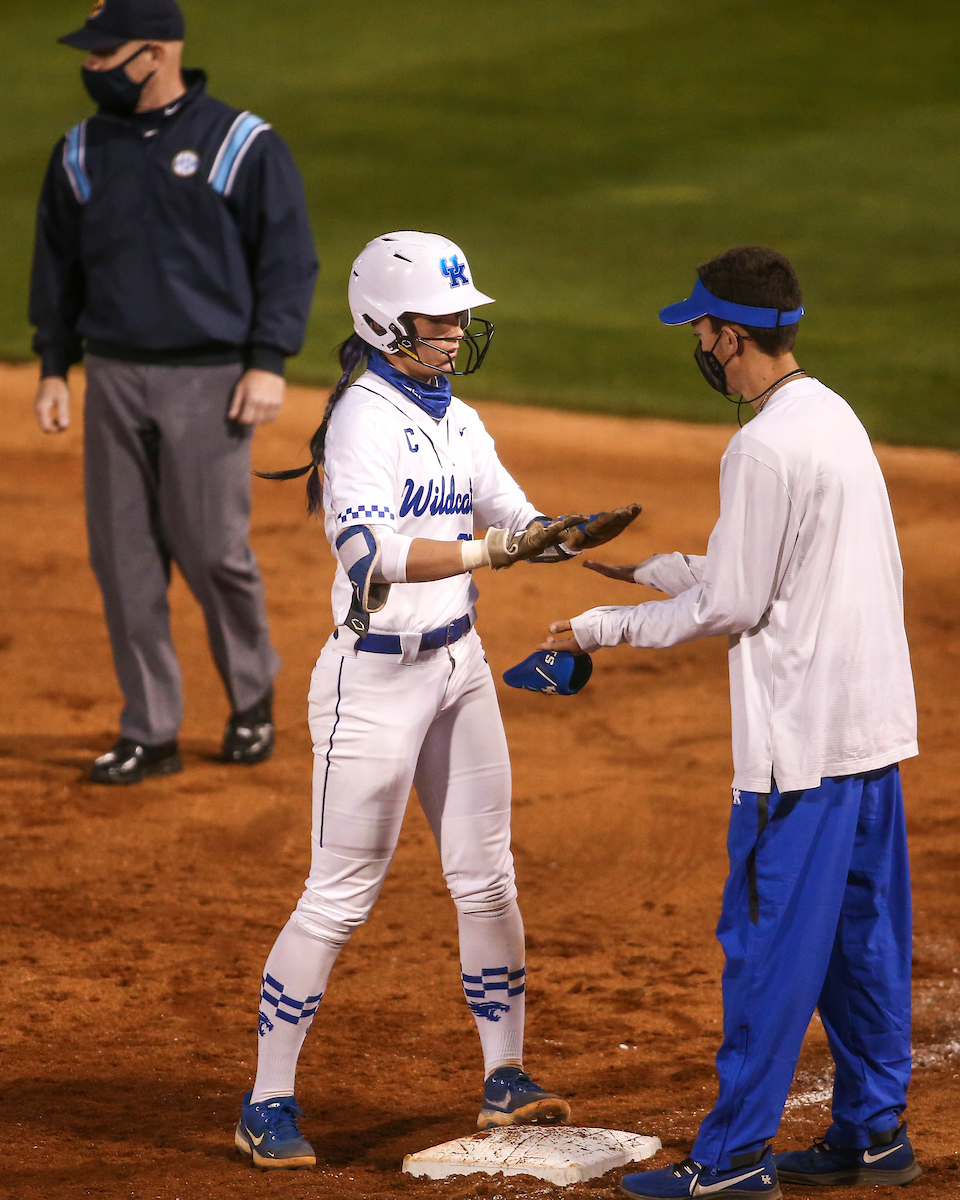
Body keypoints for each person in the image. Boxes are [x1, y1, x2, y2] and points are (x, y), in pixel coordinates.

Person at [232, 230, 640, 1169]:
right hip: (372, 680)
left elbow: (509, 512)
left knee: (486, 874)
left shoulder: (453, 415)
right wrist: (489, 553)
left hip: (457, 668)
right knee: (339, 896)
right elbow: (369, 557)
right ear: (385, 320)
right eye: (439, 317)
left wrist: (551, 532)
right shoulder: (361, 421)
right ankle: (267, 1101)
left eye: (462, 316)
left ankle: (507, 1075)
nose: (457, 331)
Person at [540, 247, 921, 1198]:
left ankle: (734, 1160)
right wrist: (660, 568)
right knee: (859, 941)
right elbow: (769, 565)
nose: (699, 346)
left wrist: (601, 627)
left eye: (703, 331)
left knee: (765, 951)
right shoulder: (830, 414)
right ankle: (875, 1136)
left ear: (733, 335)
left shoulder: (757, 445)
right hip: (869, 736)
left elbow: (738, 605)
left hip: (798, 751)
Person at [29, 0, 318, 783]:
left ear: (153, 53)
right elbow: (57, 267)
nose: (89, 67)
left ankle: (251, 701)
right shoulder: (81, 151)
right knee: (123, 559)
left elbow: (287, 259)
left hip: (211, 379)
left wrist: (268, 359)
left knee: (211, 550)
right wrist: (55, 363)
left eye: (103, 54)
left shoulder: (239, 144)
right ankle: (149, 729)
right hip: (114, 375)